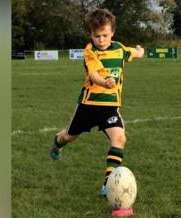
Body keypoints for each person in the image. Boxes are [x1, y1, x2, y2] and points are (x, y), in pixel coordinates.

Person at [49, 8, 144, 198]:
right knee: (68, 137)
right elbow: (93, 74)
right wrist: (105, 82)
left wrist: (140, 51)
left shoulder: (119, 49)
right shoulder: (90, 51)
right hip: (88, 106)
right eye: (96, 35)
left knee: (120, 139)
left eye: (105, 35)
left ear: (112, 32)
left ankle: (108, 185)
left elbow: (133, 53)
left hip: (110, 109)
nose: (100, 40)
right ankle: (56, 144)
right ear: (91, 34)